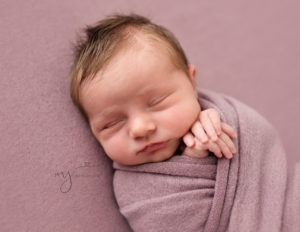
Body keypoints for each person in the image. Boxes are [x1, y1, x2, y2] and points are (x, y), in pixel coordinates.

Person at [69, 14, 237, 166]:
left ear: (191, 81)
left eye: (157, 102)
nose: (140, 128)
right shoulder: (131, 185)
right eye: (112, 123)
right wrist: (194, 157)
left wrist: (217, 121)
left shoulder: (223, 113)